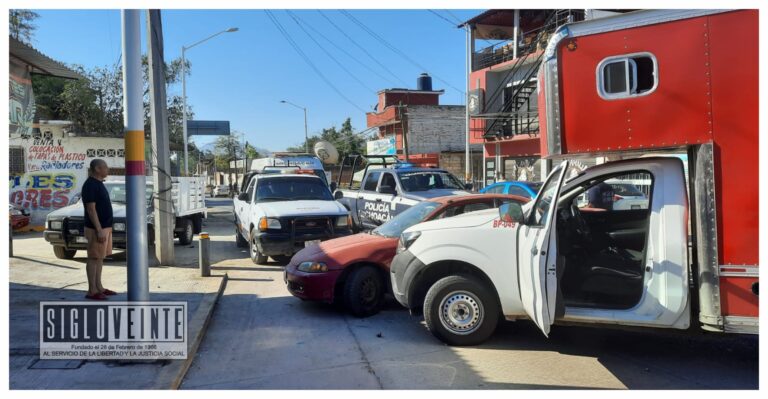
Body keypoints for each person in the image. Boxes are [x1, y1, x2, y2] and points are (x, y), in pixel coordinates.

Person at [81, 159, 116, 300]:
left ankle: (99, 287)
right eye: (105, 167)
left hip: (105, 227)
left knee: (100, 258)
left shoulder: (99, 184)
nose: (108, 169)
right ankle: (92, 291)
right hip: (96, 228)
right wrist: (99, 229)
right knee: (93, 257)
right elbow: (91, 209)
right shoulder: (90, 185)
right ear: (97, 169)